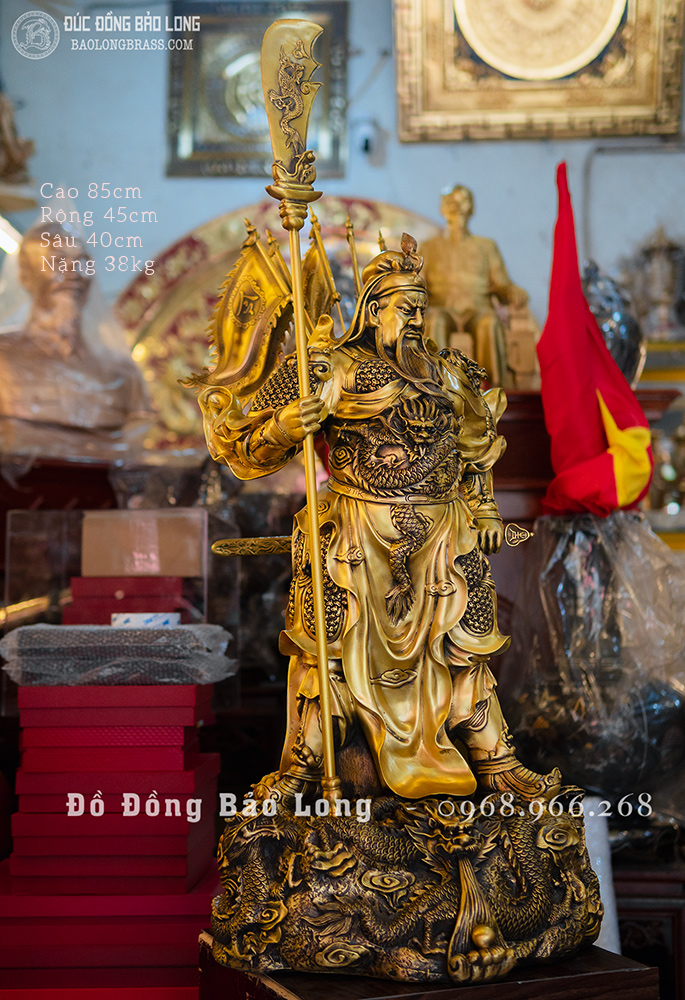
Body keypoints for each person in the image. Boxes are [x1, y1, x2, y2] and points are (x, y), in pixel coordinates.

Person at [200, 236, 558, 803]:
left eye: (421, 308)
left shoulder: (447, 371)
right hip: (357, 532)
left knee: (466, 640)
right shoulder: (329, 367)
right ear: (372, 309)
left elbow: (476, 446)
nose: (415, 319)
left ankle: (497, 761)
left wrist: (485, 508)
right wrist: (289, 425)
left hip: (444, 532)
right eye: (404, 308)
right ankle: (302, 767)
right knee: (327, 644)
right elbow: (244, 446)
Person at [0, 222, 151, 459]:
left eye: (82, 263)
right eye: (58, 262)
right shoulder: (4, 357)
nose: (73, 274)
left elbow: (137, 448)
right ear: (26, 275)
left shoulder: (122, 373)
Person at [421, 185, 529, 385]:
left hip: (478, 309)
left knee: (489, 322)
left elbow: (502, 284)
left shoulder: (486, 246)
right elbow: (418, 284)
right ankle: (438, 389)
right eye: (450, 202)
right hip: (441, 308)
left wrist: (513, 293)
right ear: (442, 209)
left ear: (472, 208)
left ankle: (494, 390)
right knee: (435, 320)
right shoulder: (429, 247)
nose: (456, 207)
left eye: (462, 201)